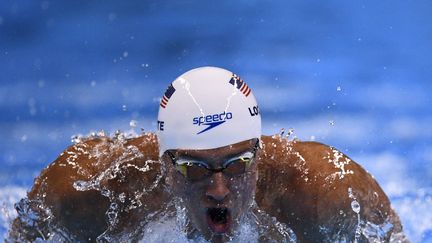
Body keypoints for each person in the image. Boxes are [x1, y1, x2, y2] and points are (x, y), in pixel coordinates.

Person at [9, 67, 408, 242]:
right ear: (165, 166)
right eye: (194, 169)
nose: (218, 188)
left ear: (259, 154)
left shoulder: (328, 193)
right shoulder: (86, 190)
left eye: (236, 166)